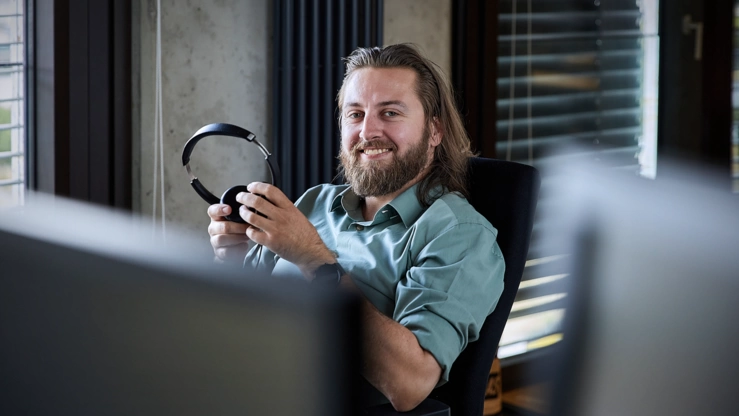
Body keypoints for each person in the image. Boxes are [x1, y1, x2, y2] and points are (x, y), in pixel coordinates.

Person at [206, 44, 505, 412]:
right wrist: (235, 261)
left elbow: (409, 383)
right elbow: (238, 317)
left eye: (390, 113)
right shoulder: (316, 202)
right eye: (355, 114)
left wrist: (315, 260)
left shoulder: (459, 235)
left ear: (434, 130)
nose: (367, 131)